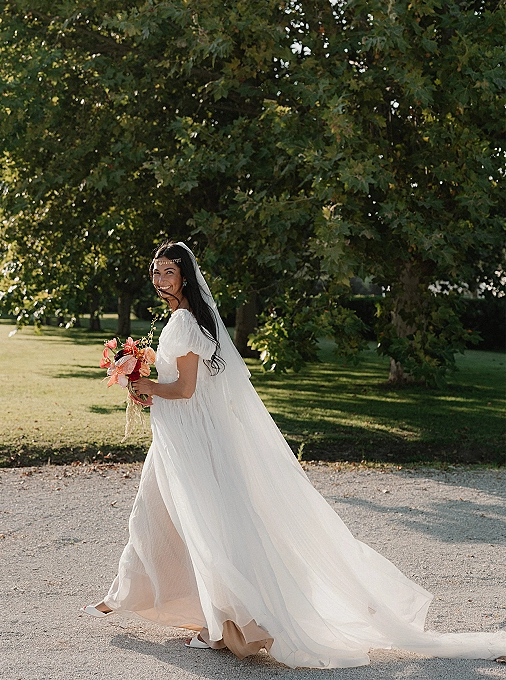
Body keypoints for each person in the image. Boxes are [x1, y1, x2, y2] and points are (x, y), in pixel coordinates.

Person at [82, 241, 506, 669]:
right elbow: (189, 386)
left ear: (186, 276)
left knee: (198, 522)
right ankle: (130, 594)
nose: (159, 280)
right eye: (155, 272)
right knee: (157, 513)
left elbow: (186, 389)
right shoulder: (185, 321)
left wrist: (147, 385)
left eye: (168, 272)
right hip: (178, 435)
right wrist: (142, 377)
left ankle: (232, 622)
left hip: (190, 440)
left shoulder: (186, 324)